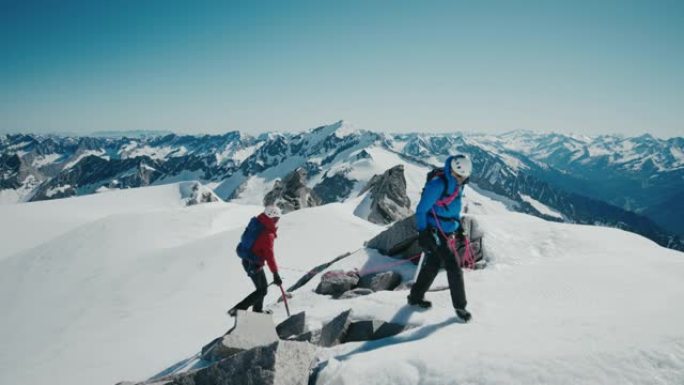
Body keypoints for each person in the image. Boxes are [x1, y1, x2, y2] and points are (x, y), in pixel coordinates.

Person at [407, 154, 473, 322]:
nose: (461, 180)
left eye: (463, 177)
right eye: (458, 176)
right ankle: (460, 307)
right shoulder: (438, 185)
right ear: (452, 171)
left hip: (447, 230)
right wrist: (424, 233)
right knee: (454, 268)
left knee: (432, 265)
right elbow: (421, 209)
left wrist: (459, 228)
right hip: (435, 232)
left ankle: (415, 297)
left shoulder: (458, 185)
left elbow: (453, 209)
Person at [228, 205, 283, 316]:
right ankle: (238, 309)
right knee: (262, 290)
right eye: (276, 219)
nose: (277, 222)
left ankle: (257, 312)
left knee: (262, 289)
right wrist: (275, 274)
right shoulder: (267, 234)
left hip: (249, 260)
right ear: (270, 217)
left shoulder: (257, 224)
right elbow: (270, 256)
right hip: (253, 263)